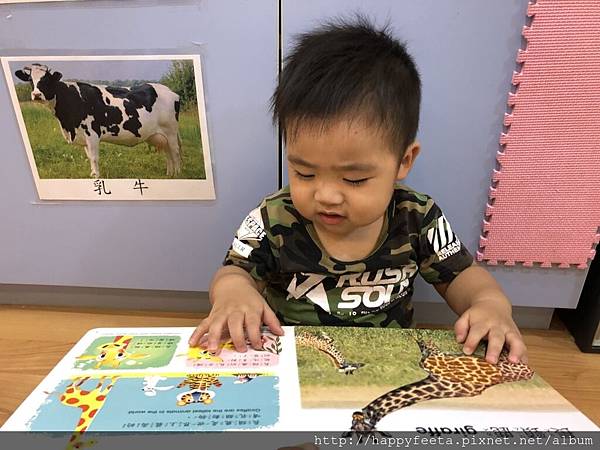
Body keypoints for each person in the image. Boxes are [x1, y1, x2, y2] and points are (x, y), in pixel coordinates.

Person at [189, 16, 527, 365]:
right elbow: (234, 272)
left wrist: (490, 306)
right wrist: (234, 296)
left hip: (390, 362)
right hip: (291, 363)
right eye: (304, 173)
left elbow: (464, 277)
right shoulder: (273, 218)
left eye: (354, 180)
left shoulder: (418, 218)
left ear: (403, 161)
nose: (327, 195)